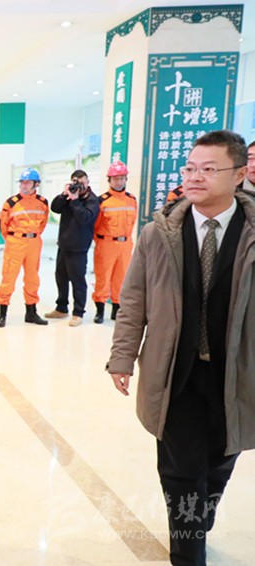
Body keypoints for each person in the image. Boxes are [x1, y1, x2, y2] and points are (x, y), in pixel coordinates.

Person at [107, 130, 255, 566]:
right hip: (176, 372)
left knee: (220, 462)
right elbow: (134, 299)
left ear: (239, 174)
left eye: (208, 169)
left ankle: (196, 524)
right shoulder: (159, 233)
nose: (194, 177)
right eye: (190, 168)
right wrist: (122, 357)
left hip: (237, 373)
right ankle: (188, 554)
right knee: (180, 471)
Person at [44, 170, 100, 326]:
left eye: (82, 183)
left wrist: (75, 201)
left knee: (78, 281)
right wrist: (64, 195)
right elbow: (55, 208)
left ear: (88, 182)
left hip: (79, 247)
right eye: (76, 182)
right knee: (61, 277)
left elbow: (85, 218)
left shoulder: (92, 200)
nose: (79, 186)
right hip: (64, 245)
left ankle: (78, 313)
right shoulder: (69, 196)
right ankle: (61, 308)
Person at [0, 168, 49, 327]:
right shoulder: (11, 203)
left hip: (34, 243)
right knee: (9, 277)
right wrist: (13, 239)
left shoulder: (43, 202)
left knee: (33, 278)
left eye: (28, 182)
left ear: (36, 184)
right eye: (22, 182)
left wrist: (33, 235)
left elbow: (43, 223)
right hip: (15, 242)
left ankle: (31, 312)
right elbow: (3, 224)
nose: (24, 185)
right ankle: (2, 313)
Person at [92, 161, 137, 323]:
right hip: (106, 244)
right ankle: (100, 310)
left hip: (125, 244)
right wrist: (101, 241)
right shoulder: (102, 201)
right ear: (109, 180)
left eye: (122, 178)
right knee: (103, 277)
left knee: (121, 278)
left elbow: (132, 222)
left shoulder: (131, 199)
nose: (119, 182)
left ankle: (117, 310)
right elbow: (95, 225)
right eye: (116, 179)